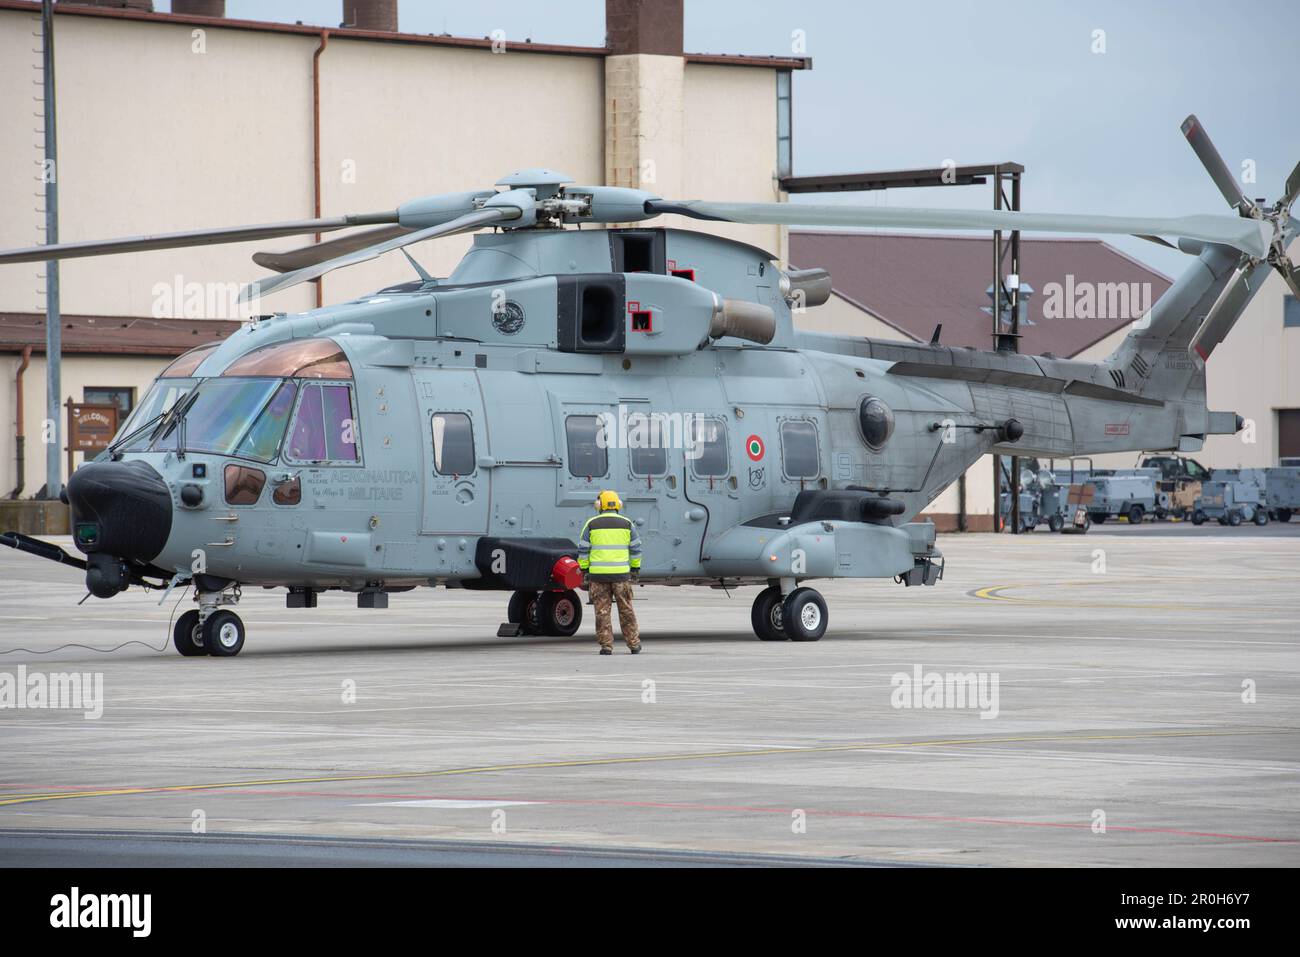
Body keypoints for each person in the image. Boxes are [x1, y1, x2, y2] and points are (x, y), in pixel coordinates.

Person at [577, 490, 642, 655]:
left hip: (598, 577)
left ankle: (606, 646)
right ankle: (633, 644)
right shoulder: (627, 523)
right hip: (621, 576)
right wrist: (635, 567)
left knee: (602, 612)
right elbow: (636, 548)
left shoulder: (591, 524)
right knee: (626, 610)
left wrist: (584, 568)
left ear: (600, 505)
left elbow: (583, 549)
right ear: (618, 505)